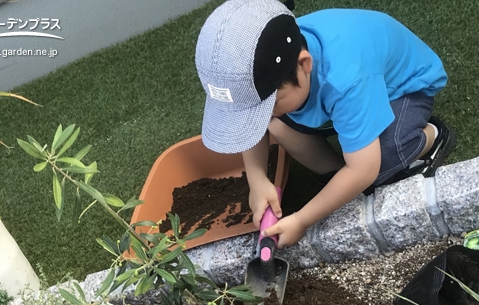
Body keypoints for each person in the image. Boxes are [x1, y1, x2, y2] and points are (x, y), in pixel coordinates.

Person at [195, 0, 455, 249]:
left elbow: (364, 170)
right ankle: (338, 173)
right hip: (353, 89)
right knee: (278, 125)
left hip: (402, 90)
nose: (261, 117)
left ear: (304, 64)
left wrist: (301, 220)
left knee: (377, 166)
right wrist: (257, 179)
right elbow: (253, 127)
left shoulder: (344, 79)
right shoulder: (276, 61)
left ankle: (431, 135)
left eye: (268, 105)